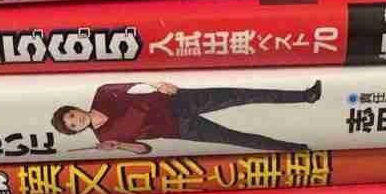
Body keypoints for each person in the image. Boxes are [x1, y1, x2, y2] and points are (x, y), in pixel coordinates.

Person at [50, 79, 322, 154]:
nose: (76, 121)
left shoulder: (103, 93)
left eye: (72, 115)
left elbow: (134, 84)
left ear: (75, 108)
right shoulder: (105, 137)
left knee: (241, 95)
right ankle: (297, 149)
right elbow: (144, 149)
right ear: (75, 132)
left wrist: (159, 84)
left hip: (176, 100)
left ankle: (305, 96)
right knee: (237, 139)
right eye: (72, 126)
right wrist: (118, 145)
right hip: (180, 128)